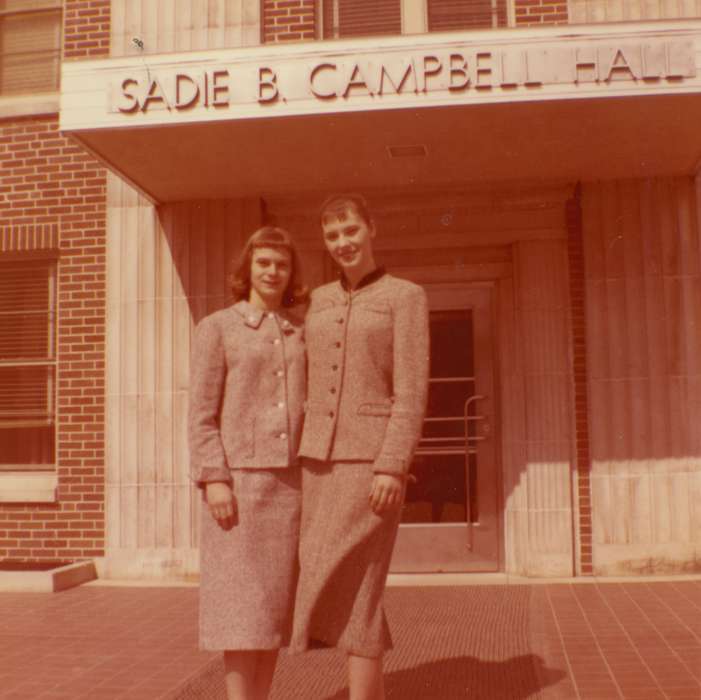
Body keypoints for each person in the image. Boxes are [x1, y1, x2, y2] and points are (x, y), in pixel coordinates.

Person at [290, 194, 430, 699]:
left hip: (372, 465)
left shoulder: (405, 297)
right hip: (317, 462)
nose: (343, 243)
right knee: (336, 583)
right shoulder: (318, 300)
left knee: (363, 588)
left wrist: (392, 465)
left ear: (371, 229)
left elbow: (411, 389)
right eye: (332, 236)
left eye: (351, 231)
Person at [188, 226, 308, 700]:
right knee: (239, 612)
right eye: (263, 263)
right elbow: (200, 413)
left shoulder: (299, 330)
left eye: (281, 264)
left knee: (272, 611)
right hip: (238, 490)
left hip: (291, 487)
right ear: (248, 269)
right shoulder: (217, 327)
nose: (272, 271)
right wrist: (215, 479)